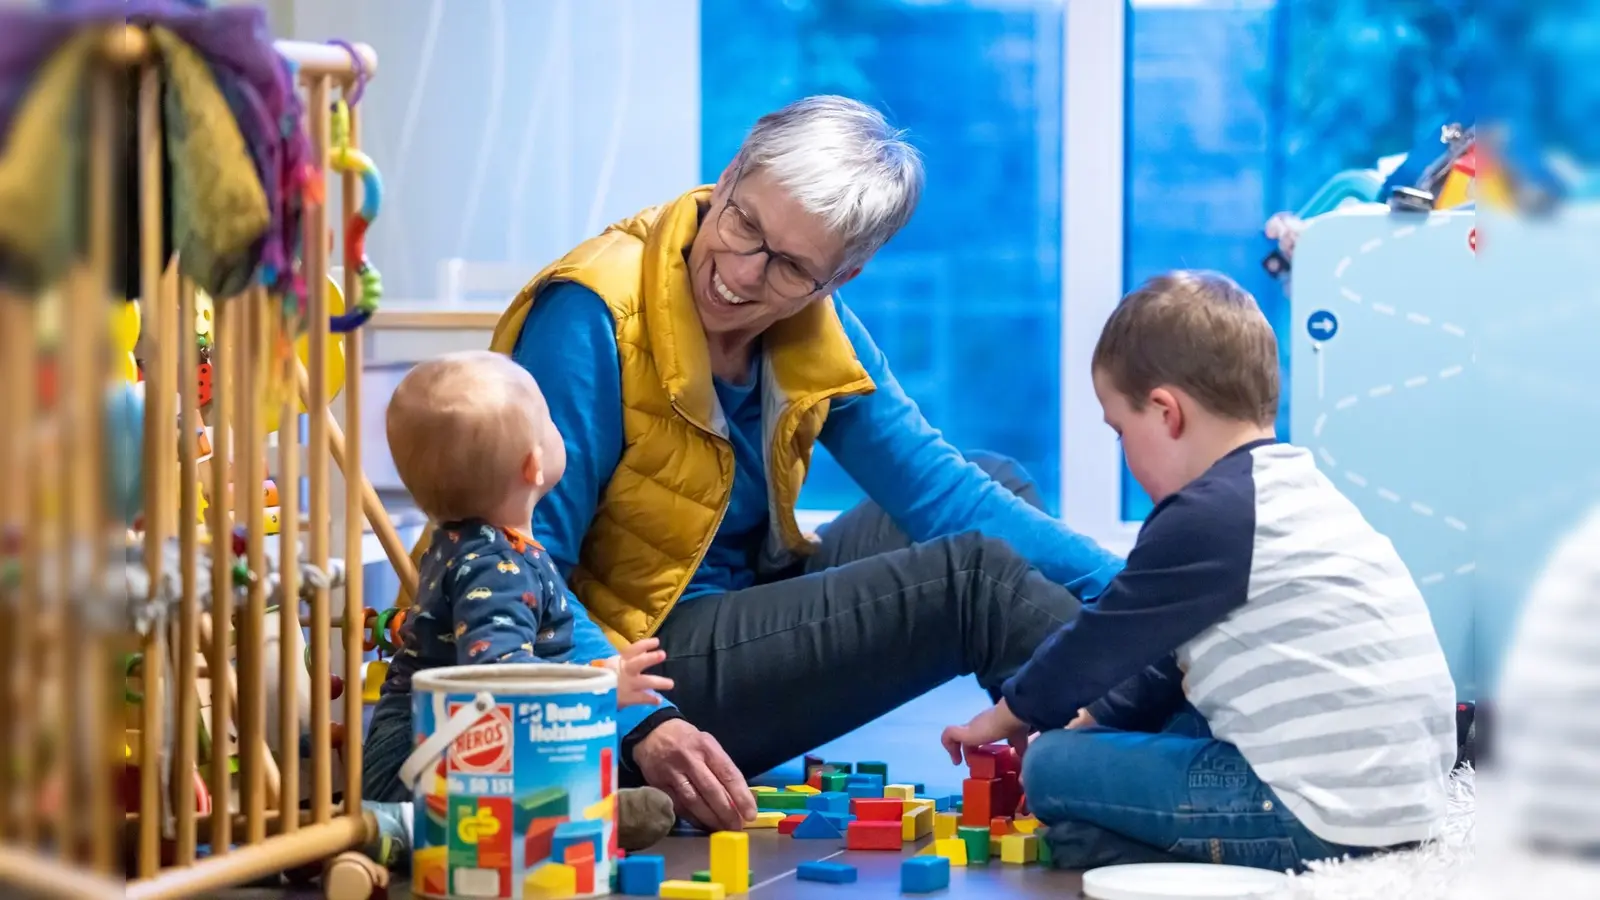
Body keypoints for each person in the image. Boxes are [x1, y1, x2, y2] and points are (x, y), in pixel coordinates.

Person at [386, 95, 1125, 832]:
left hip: (740, 602)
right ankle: (1140, 773)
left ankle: (1121, 722)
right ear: (732, 171)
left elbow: (939, 488)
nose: (741, 273)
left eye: (790, 267)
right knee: (975, 581)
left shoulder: (812, 321)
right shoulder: (592, 316)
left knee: (997, 481)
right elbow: (521, 559)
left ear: (842, 277)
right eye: (743, 224)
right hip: (633, 666)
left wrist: (1137, 595)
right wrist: (638, 723)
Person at [941, 271, 1459, 872]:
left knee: (1051, 766)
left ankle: (1125, 851)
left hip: (1317, 818)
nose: (1124, 452)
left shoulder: (1203, 516)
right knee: (1178, 715)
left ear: (1166, 413)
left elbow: (1100, 641)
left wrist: (1004, 714)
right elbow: (1170, 656)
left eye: (1120, 432)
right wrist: (1099, 717)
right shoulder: (1292, 492)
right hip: (1406, 806)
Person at [361, 351, 679, 858]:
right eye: (550, 421)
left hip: (432, 742)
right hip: (423, 758)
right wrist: (600, 686)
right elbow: (499, 677)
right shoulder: (496, 567)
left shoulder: (468, 541)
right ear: (534, 465)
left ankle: (563, 818)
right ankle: (559, 822)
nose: (559, 429)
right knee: (482, 818)